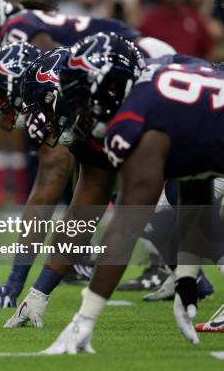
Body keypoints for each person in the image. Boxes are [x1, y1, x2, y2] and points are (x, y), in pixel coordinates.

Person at [0, 0, 176, 308]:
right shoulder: (22, 32)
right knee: (101, 173)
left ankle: (180, 264)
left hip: (145, 66)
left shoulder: (18, 33)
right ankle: (181, 269)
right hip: (131, 69)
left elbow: (50, 174)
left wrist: (15, 280)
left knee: (133, 175)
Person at [33, 34, 224, 353]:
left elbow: (125, 228)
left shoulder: (138, 118)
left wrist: (85, 318)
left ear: (109, 88)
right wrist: (187, 277)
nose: (79, 111)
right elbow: (196, 176)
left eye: (82, 99)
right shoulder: (158, 88)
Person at [139, 0, 213, 59]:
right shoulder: (150, 21)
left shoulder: (194, 18)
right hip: (162, 70)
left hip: (190, 70)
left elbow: (206, 50)